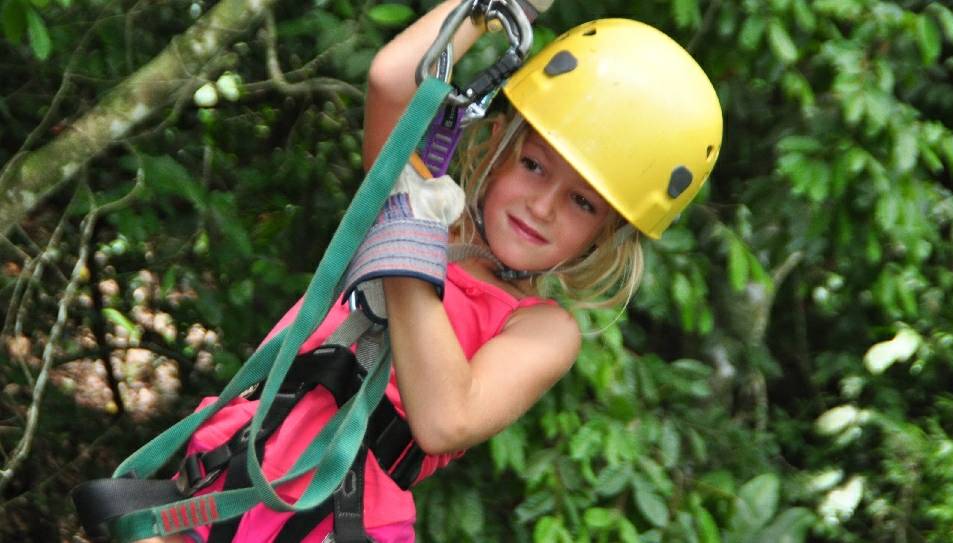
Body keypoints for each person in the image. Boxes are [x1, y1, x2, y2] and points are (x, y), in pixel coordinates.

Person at [143, 0, 721, 540]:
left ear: (608, 235)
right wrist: (502, 8)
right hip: (229, 480)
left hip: (337, 521)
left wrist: (404, 236)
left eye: (583, 203)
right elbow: (393, 80)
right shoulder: (426, 208)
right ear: (495, 143)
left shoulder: (541, 328)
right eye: (534, 166)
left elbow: (446, 419)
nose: (542, 207)